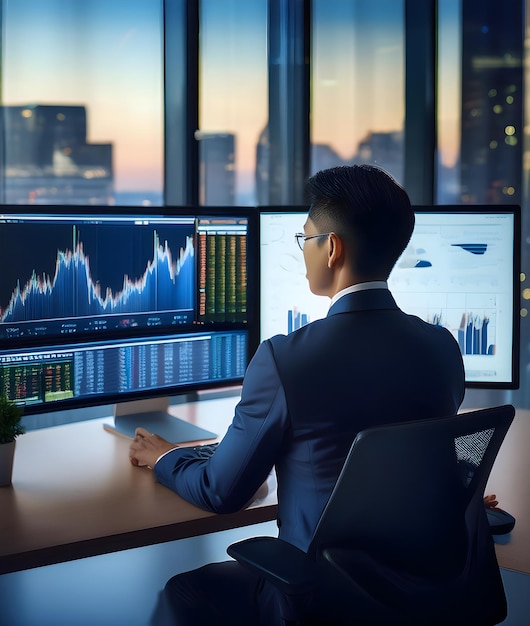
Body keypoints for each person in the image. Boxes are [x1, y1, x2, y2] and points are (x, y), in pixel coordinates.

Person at [129, 164, 466, 625]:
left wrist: (166, 456)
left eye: (305, 239)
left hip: (316, 598)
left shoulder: (285, 359)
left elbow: (221, 492)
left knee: (184, 590)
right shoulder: (442, 347)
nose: (303, 250)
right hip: (419, 594)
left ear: (332, 248)